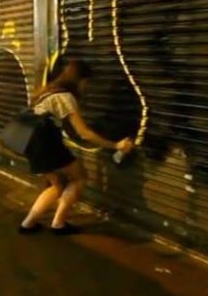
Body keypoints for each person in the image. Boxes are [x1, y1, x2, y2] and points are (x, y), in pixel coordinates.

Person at [18, 59, 134, 235]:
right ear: (80, 80)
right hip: (46, 143)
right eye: (86, 82)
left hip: (31, 143)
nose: (86, 87)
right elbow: (83, 132)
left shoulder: (49, 92)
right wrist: (115, 145)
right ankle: (58, 223)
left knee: (57, 184)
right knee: (79, 177)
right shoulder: (66, 97)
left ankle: (28, 224)